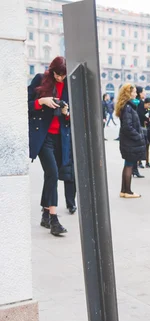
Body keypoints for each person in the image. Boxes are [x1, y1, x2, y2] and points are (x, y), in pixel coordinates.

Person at [28, 56, 72, 236]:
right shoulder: (40, 79)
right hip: (43, 135)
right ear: (52, 70)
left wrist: (66, 112)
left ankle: (45, 214)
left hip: (60, 137)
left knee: (51, 174)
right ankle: (54, 219)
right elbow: (24, 104)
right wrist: (41, 102)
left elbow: (71, 115)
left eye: (63, 75)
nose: (60, 78)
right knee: (53, 173)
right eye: (58, 74)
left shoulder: (69, 85)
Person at [115, 84, 146, 198]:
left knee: (127, 164)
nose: (136, 94)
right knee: (129, 165)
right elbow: (127, 127)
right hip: (130, 142)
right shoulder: (128, 107)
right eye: (133, 92)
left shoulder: (126, 106)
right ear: (128, 93)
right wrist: (138, 136)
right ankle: (127, 191)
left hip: (127, 141)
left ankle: (124, 190)